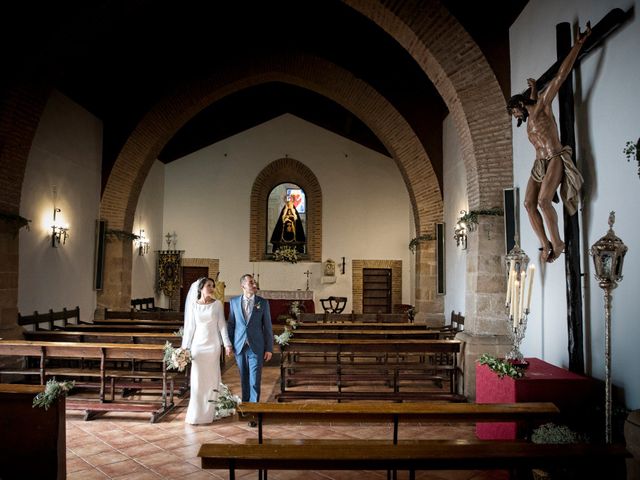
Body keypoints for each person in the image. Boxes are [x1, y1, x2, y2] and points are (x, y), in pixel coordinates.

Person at [507, 22, 591, 263]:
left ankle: (558, 242)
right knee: (527, 203)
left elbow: (561, 75)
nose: (516, 117)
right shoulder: (532, 106)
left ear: (520, 104)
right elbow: (531, 101)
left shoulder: (543, 105)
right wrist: (533, 87)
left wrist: (577, 45)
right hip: (539, 163)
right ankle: (545, 244)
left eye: (514, 112)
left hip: (554, 157)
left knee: (544, 201)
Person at [181, 277, 232, 425]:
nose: (211, 288)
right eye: (208, 285)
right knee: (197, 380)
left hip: (213, 346)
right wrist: (184, 348)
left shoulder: (217, 305)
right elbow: (189, 328)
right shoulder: (193, 306)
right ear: (201, 288)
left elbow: (222, 325)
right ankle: (197, 412)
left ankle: (210, 410)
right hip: (198, 347)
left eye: (213, 286)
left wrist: (227, 344)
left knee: (212, 379)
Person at [227, 274, 273, 411]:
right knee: (243, 379)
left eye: (254, 282)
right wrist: (229, 344)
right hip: (239, 346)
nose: (254, 284)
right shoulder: (234, 302)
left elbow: (268, 327)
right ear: (243, 286)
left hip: (256, 346)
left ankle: (253, 409)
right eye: (251, 282)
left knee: (254, 380)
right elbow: (231, 324)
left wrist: (269, 348)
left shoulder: (262, 303)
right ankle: (245, 407)